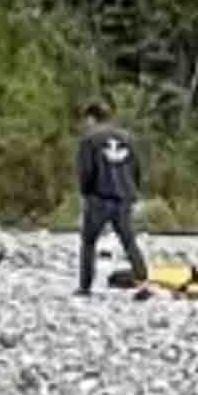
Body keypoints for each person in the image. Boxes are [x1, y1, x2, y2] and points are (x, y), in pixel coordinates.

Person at [73, 101, 148, 296]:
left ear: (91, 118)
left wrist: (84, 193)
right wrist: (134, 193)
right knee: (129, 241)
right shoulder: (128, 138)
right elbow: (137, 169)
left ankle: (85, 286)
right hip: (124, 198)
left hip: (99, 197)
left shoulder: (89, 140)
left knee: (89, 242)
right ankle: (142, 282)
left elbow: (86, 171)